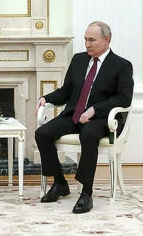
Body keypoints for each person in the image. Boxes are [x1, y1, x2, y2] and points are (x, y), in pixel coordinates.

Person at [35, 21, 134, 214]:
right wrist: (46, 98)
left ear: (107, 40)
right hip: (74, 115)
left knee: (88, 135)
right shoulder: (79, 60)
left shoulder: (122, 66)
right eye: (85, 40)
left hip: (103, 120)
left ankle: (86, 193)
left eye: (92, 40)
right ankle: (60, 183)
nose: (87, 44)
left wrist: (95, 109)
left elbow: (123, 98)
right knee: (43, 133)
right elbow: (66, 91)